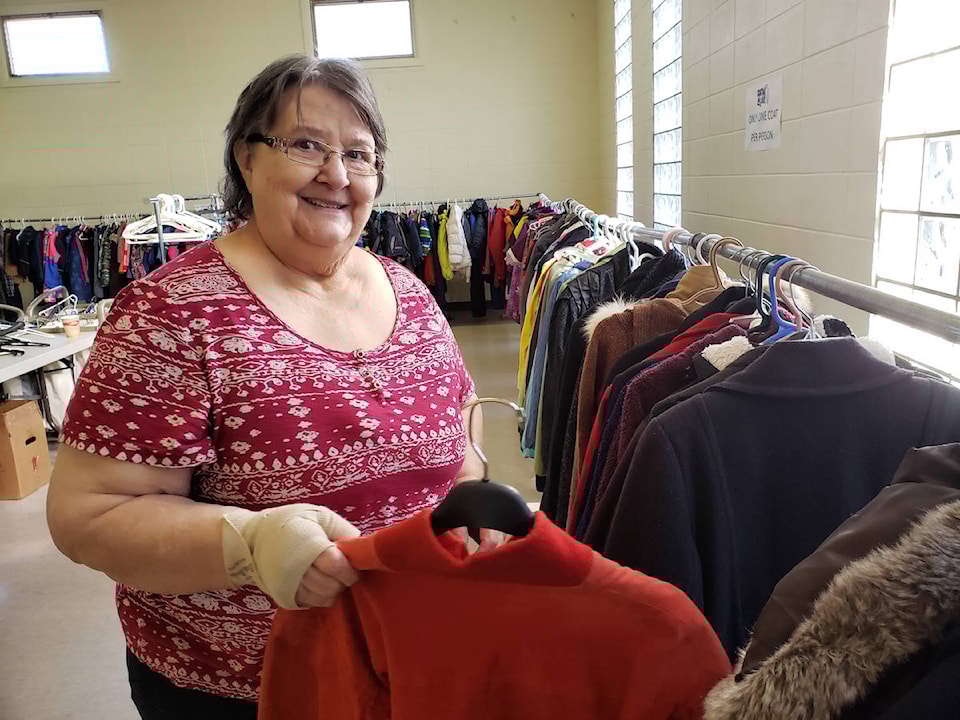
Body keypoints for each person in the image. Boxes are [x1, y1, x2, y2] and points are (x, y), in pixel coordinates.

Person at [46, 54, 490, 719]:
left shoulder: (412, 294)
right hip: (244, 691)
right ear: (246, 158)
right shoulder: (170, 314)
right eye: (307, 145)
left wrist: (475, 507)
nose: (336, 175)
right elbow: (89, 517)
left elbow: (462, 444)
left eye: (359, 154)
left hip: (410, 663)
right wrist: (248, 546)